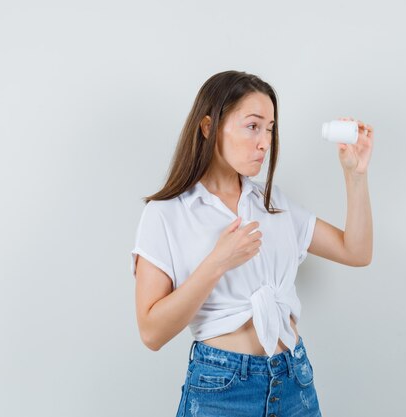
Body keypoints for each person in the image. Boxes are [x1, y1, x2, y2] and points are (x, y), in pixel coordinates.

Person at [130, 70, 373, 417]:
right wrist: (217, 262)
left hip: (293, 382)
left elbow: (357, 251)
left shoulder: (272, 203)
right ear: (208, 127)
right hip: (222, 391)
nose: (265, 142)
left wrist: (356, 175)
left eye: (270, 129)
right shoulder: (166, 214)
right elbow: (151, 333)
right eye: (253, 126)